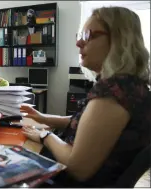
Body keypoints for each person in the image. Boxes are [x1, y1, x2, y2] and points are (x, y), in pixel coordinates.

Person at [20, 6, 150, 188]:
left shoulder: (115, 91)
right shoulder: (131, 86)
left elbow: (77, 168)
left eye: (88, 35)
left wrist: (45, 135)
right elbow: (88, 125)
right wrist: (43, 118)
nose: (79, 43)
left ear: (119, 39)